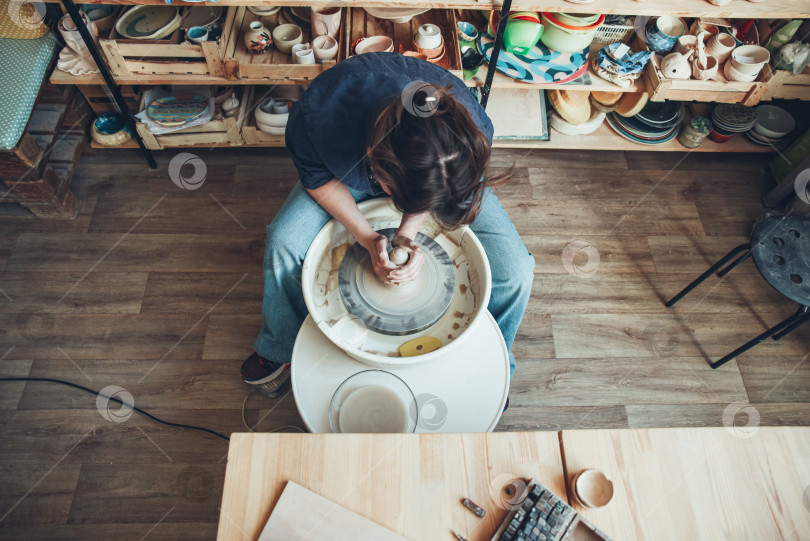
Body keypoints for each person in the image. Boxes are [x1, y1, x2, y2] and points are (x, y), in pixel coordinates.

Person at [241, 53, 534, 402]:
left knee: (517, 271)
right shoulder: (318, 115)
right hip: (343, 169)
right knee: (284, 241)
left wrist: (406, 234)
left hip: (435, 176)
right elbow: (318, 180)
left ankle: (486, 357)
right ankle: (282, 343)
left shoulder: (467, 131)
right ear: (374, 163)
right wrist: (367, 238)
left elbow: (433, 193)